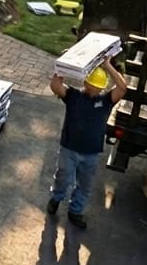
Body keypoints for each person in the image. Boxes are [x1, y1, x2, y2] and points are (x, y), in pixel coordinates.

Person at [47, 58, 127, 229]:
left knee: (85, 185)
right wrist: (65, 65)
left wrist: (107, 65)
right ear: (85, 82)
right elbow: (55, 85)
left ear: (102, 88)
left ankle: (75, 211)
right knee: (63, 177)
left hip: (91, 152)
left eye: (97, 88)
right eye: (91, 86)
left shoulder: (106, 101)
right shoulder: (73, 96)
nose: (94, 90)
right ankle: (56, 198)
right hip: (69, 148)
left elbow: (122, 88)